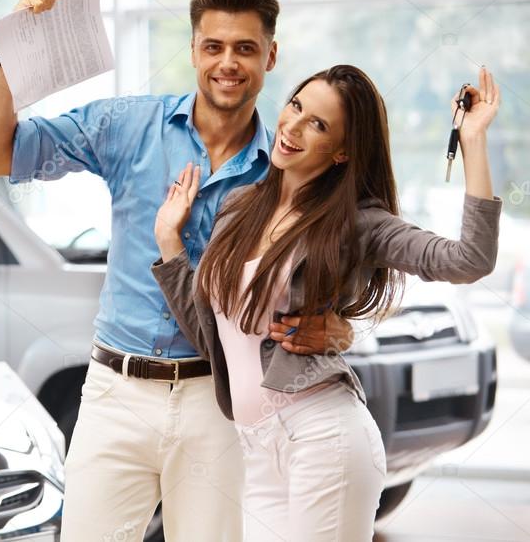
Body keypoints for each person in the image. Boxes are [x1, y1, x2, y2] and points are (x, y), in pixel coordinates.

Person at [0, 0, 354, 541]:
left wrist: (340, 329)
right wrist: (12, 52)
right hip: (115, 394)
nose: (228, 62)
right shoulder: (128, 126)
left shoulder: (288, 169)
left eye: (245, 48)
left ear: (271, 56)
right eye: (214, 46)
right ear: (194, 49)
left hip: (216, 404)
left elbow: (335, 285)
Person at [151, 65, 502, 541]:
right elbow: (211, 336)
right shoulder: (238, 208)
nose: (293, 127)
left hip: (323, 436)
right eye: (296, 106)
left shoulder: (359, 223)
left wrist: (473, 141)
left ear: (342, 152)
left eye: (317, 124)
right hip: (255, 446)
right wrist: (170, 243)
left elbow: (469, 260)